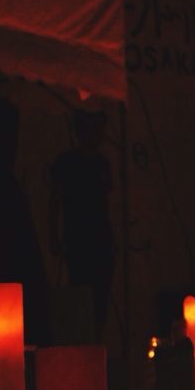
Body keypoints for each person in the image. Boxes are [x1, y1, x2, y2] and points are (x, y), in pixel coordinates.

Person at [48, 109, 115, 341]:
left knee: (98, 298)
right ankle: (85, 344)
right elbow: (54, 202)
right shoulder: (68, 163)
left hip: (98, 239)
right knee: (81, 296)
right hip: (78, 239)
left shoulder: (101, 164)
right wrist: (54, 237)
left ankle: (95, 342)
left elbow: (108, 203)